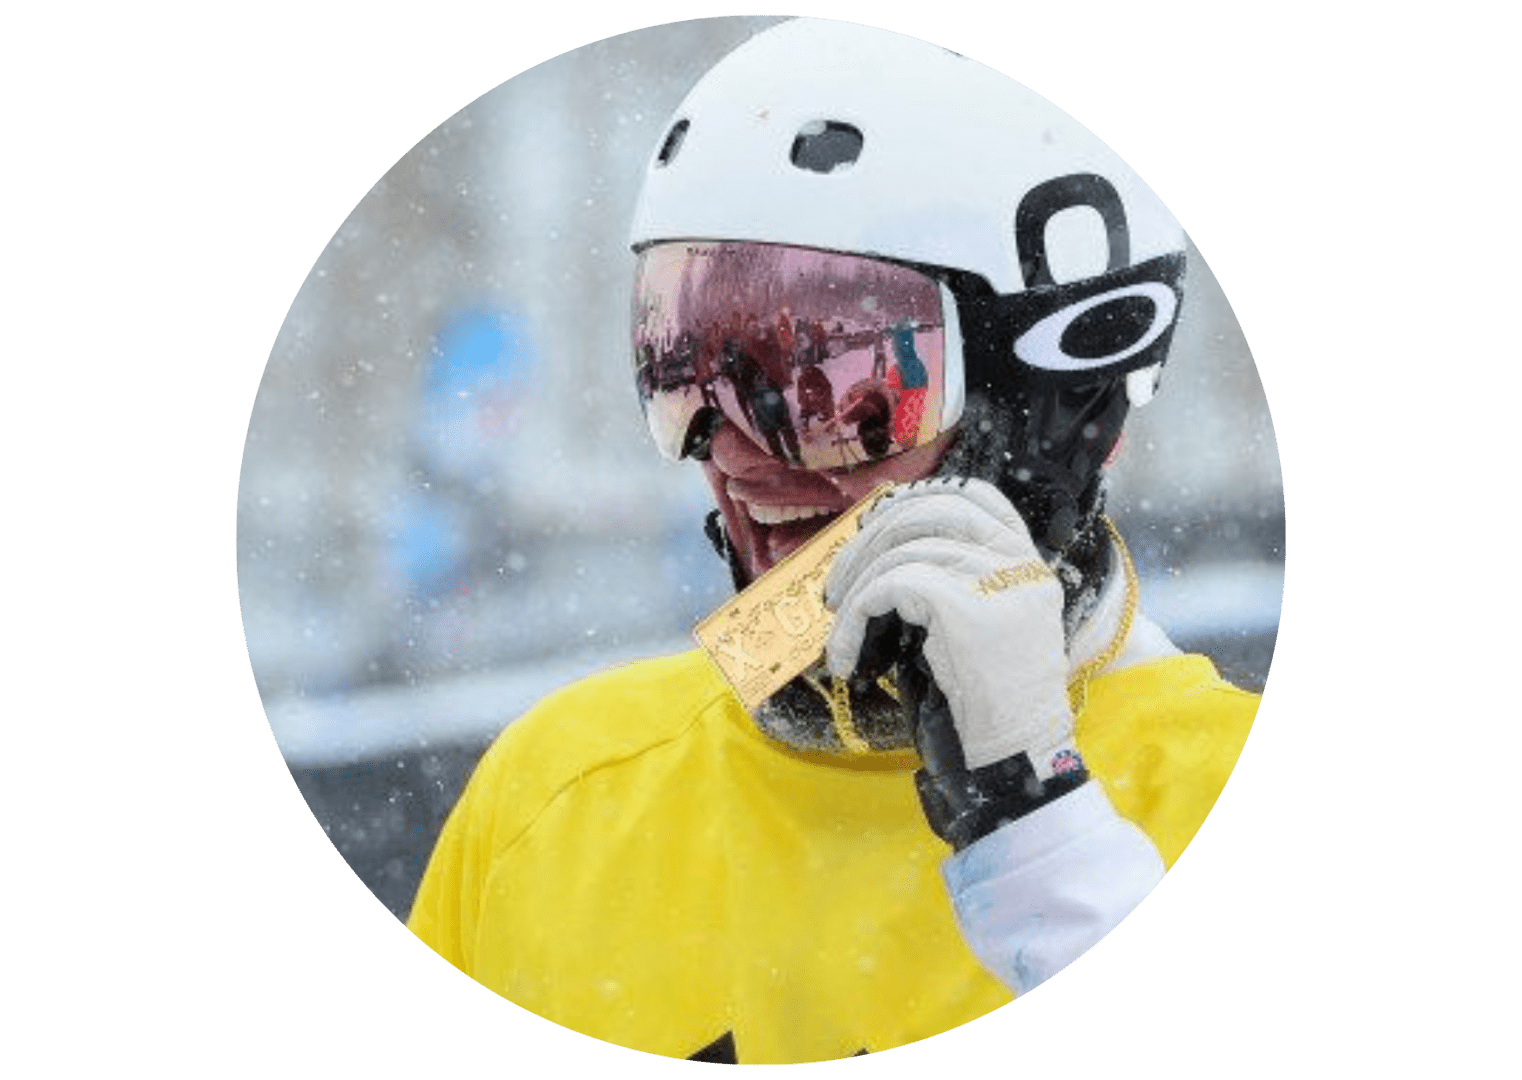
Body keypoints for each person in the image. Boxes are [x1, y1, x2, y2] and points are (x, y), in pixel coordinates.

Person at [408, 18, 1258, 1065]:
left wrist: (1037, 828)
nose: (733, 452)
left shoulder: (1216, 787)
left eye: (836, 386)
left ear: (1045, 402)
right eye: (688, 368)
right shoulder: (557, 796)